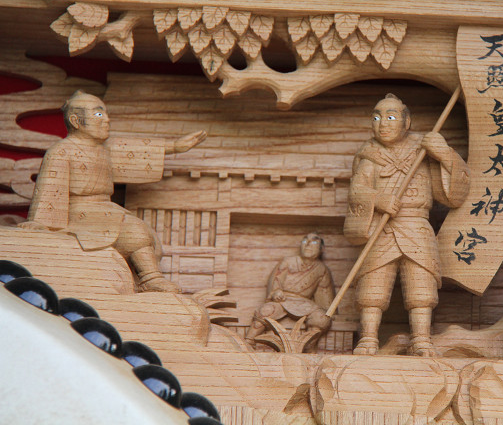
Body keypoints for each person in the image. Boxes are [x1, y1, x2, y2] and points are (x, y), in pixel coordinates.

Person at [19, 90, 206, 293]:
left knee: (146, 233)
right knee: (134, 231)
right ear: (75, 121)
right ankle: (150, 278)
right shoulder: (61, 151)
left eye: (106, 114)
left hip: (106, 209)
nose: (107, 120)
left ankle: (147, 277)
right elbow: (49, 188)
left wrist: (175, 146)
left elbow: (139, 150)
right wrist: (40, 222)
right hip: (79, 212)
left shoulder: (106, 148)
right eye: (99, 114)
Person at [344, 93, 470, 357]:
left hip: (416, 226)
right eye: (376, 118)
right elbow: (357, 191)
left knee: (421, 286)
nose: (383, 124)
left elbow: (453, 196)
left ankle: (421, 340)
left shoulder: (423, 151)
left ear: (407, 122)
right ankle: (368, 339)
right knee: (372, 286)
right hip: (382, 227)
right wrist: (378, 199)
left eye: (391, 117)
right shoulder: (369, 156)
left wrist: (444, 155)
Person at [245, 233, 335, 347]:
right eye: (305, 241)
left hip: (305, 303)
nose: (308, 244)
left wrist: (327, 310)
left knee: (321, 319)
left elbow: (324, 294)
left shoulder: (321, 269)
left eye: (314, 242)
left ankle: (308, 347)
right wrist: (276, 291)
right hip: (284, 299)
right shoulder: (288, 261)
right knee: (266, 310)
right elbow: (276, 280)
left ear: (321, 249)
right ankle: (248, 341)